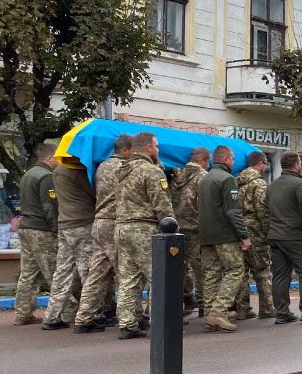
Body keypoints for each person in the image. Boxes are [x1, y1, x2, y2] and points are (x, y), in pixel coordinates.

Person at [114, 132, 174, 339]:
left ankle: (127, 323)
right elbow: (162, 205)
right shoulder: (151, 172)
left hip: (122, 228)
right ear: (148, 147)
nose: (158, 150)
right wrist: (172, 230)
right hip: (144, 229)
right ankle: (161, 324)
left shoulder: (121, 171)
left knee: (128, 279)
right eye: (156, 146)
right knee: (158, 277)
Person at [72, 134, 131, 333]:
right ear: (125, 150)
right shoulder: (123, 168)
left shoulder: (102, 166)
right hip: (115, 222)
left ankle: (83, 318)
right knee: (125, 272)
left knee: (96, 274)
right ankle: (129, 318)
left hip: (99, 222)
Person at [198, 146, 250, 332]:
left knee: (211, 274)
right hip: (225, 235)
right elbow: (233, 211)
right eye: (233, 158)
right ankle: (219, 312)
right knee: (235, 270)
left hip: (205, 235)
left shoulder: (204, 179)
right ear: (226, 159)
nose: (234, 162)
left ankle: (210, 314)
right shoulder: (228, 179)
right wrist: (243, 235)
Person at [267, 152, 302, 323]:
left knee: (280, 275)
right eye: (300, 162)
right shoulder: (300, 185)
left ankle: (282, 313)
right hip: (295, 236)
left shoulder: (272, 186)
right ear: (296, 165)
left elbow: (265, 212)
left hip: (275, 236)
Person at [41, 160, 95, 330]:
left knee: (62, 271)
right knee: (87, 270)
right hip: (82, 223)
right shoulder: (78, 172)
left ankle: (52, 315)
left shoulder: (57, 171)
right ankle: (88, 315)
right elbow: (93, 193)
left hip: (64, 224)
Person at [13, 144, 58, 325]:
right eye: (58, 158)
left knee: (28, 274)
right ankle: (65, 312)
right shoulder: (47, 176)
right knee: (54, 272)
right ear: (50, 158)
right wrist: (56, 229)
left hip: (26, 227)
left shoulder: (28, 174)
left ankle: (22, 313)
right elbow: (49, 207)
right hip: (41, 229)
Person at [236, 151, 276, 319]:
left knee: (242, 271)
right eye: (265, 164)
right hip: (256, 232)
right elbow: (263, 211)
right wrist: (269, 233)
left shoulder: (236, 181)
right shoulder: (259, 184)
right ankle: (267, 308)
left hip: (239, 230)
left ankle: (242, 308)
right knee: (262, 271)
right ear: (260, 163)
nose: (265, 167)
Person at [170, 146, 208, 315]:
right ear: (203, 161)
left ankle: (184, 301)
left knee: (179, 268)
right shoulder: (202, 177)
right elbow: (205, 205)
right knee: (201, 269)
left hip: (175, 229)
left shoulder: (175, 174)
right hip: (195, 229)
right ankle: (203, 304)